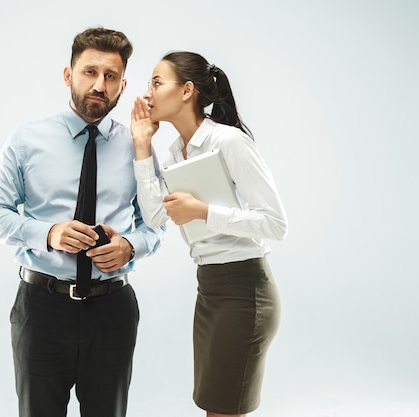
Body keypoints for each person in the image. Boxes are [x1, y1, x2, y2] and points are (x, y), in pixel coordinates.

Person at [0, 27, 165, 417]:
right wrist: (48, 233)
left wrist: (130, 245)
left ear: (122, 85)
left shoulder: (138, 144)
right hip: (42, 309)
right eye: (89, 72)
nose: (99, 85)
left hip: (112, 309)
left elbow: (157, 222)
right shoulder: (26, 140)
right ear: (68, 75)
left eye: (110, 76)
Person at [130, 51, 288, 417]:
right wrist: (142, 147)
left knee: (223, 408)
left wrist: (203, 212)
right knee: (214, 406)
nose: (147, 94)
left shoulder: (229, 142)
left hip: (245, 290)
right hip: (210, 290)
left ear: (187, 91)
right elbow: (154, 216)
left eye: (156, 82)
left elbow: (275, 223)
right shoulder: (173, 153)